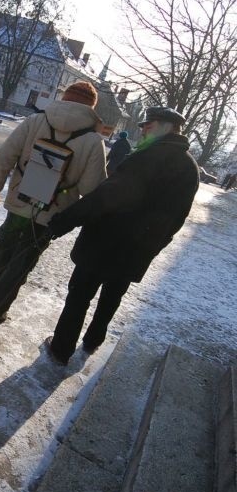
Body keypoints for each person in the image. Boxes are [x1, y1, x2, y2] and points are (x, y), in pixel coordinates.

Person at [45, 106, 200, 365]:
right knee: (111, 299)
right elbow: (177, 221)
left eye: (149, 124)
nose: (143, 129)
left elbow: (106, 197)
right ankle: (93, 341)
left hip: (104, 244)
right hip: (136, 251)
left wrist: (63, 222)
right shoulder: (189, 168)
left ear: (167, 127)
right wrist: (152, 246)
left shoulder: (148, 157)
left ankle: (61, 349)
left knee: (80, 295)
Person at [0, 81, 108, 329]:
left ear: (64, 98)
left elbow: (3, 158)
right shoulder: (93, 141)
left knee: (4, 253)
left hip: (18, 203)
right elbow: (92, 190)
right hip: (50, 216)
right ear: (91, 107)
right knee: (21, 264)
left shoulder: (34, 121)